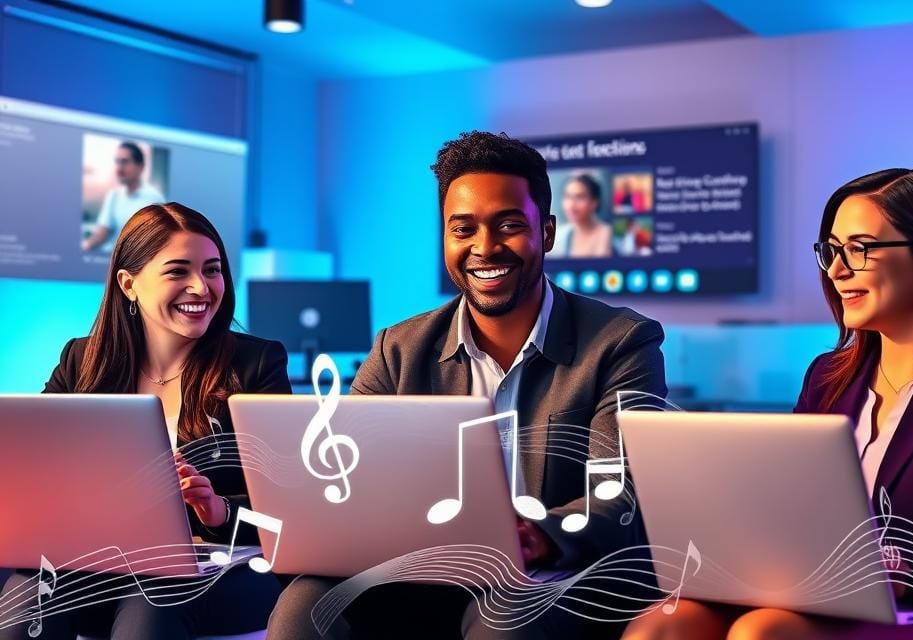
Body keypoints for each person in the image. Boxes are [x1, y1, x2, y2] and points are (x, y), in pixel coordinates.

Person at [266, 131, 667, 640]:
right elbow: (346, 477)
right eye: (463, 229)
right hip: (423, 568)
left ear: (546, 232)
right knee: (305, 605)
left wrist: (533, 534)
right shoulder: (398, 348)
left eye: (509, 225)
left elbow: (618, 498)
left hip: (559, 575)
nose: (484, 247)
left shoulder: (621, 341)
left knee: (503, 618)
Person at [622, 161, 913, 640]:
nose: (836, 270)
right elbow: (786, 510)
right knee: (667, 623)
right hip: (817, 594)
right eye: (831, 251)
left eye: (859, 249)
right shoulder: (828, 378)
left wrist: (902, 570)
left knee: (762, 632)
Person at [1, 202, 290, 639]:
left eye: (212, 270)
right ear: (128, 284)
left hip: (219, 568)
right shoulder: (81, 360)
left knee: (154, 596)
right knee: (26, 593)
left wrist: (217, 510)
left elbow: (289, 510)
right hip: (99, 561)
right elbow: (34, 471)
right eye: (178, 272)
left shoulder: (256, 364)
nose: (201, 287)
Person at [82, 141, 166, 252]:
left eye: (124, 162)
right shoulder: (114, 196)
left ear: (140, 166)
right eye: (117, 162)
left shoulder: (155, 199)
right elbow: (102, 232)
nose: (119, 168)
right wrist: (84, 246)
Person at [550, 174, 612, 258]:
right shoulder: (560, 235)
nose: (571, 205)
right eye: (568, 196)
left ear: (594, 202)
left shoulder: (607, 234)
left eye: (579, 197)